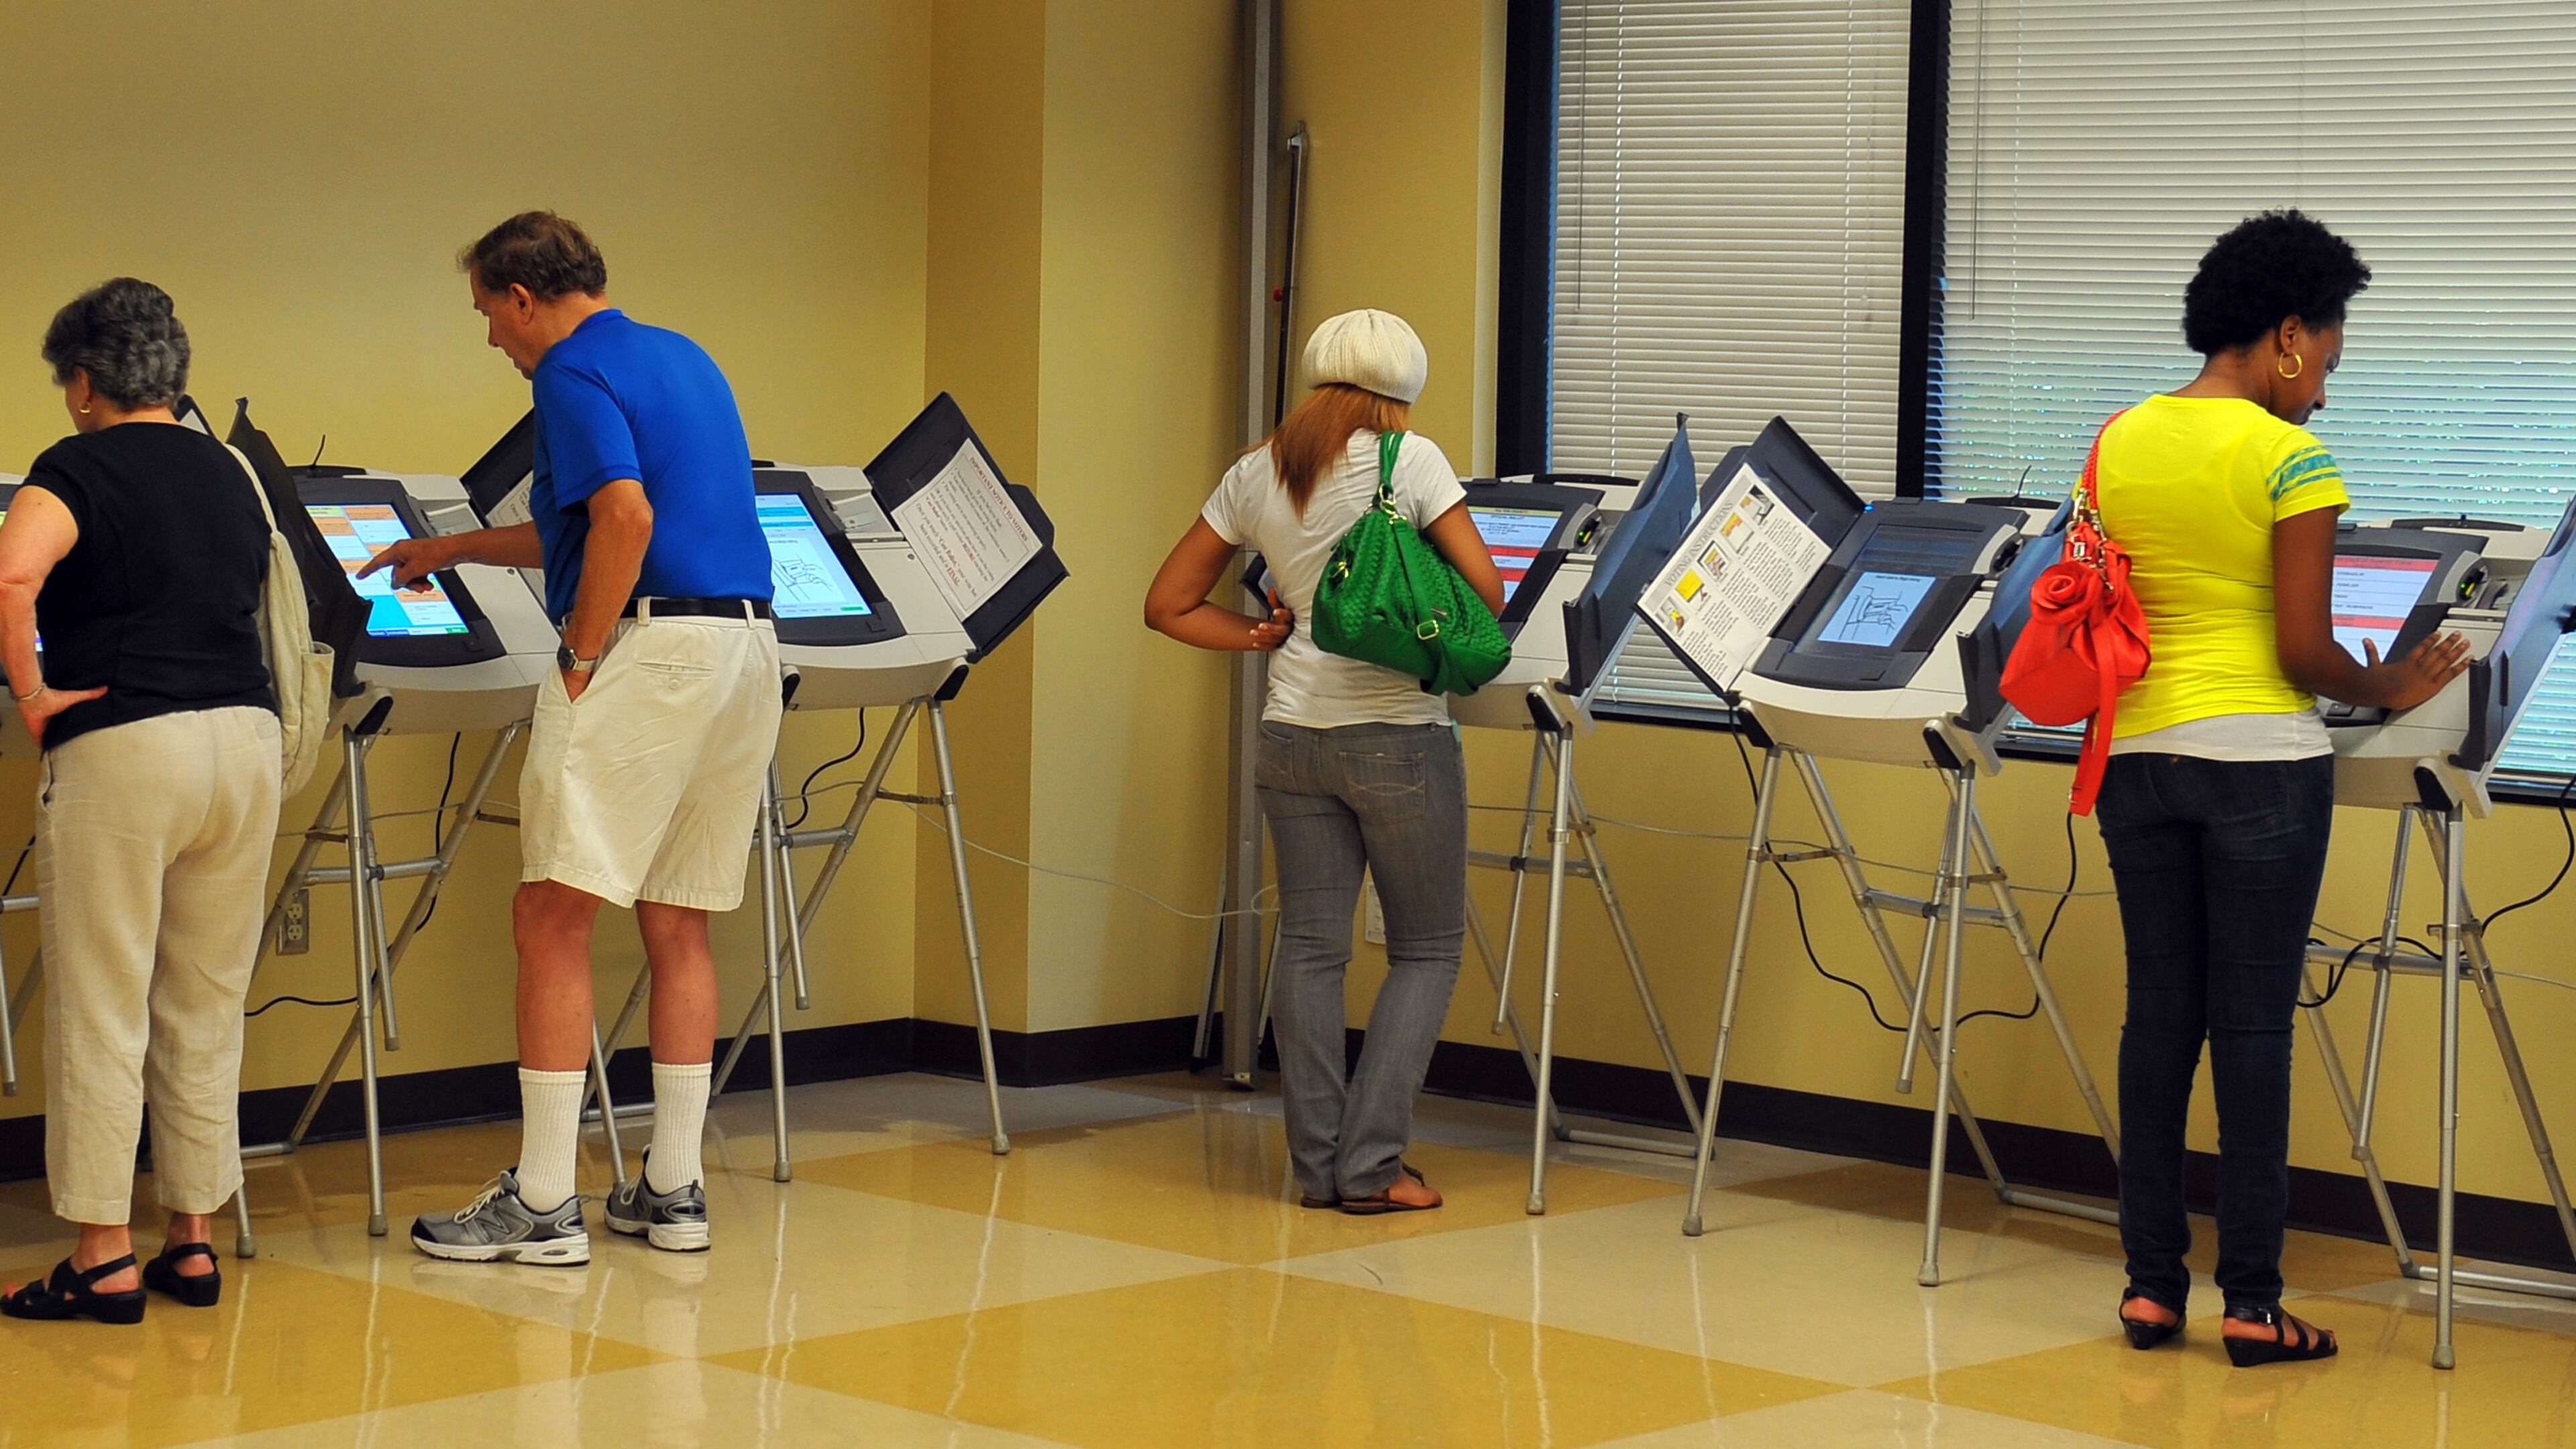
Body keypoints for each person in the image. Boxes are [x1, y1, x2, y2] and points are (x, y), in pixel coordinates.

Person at [365, 213, 782, 1263]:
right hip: (745, 652)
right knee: (677, 918)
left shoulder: (567, 372)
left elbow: (627, 522)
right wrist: (453, 546)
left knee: (549, 912)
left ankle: (545, 1200)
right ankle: (672, 1190)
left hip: (650, 651)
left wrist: (582, 656)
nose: (491, 342)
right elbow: (601, 521)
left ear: (521, 298)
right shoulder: (681, 357)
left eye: (488, 318)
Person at [2092, 210, 2469, 1366]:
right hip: (2260, 768)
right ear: (2290, 337)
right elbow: (2305, 650)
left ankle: (2151, 1292)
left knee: (2157, 1023)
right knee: (2252, 1030)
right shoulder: (2292, 457)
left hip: (2139, 761)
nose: (2324, 395)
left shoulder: (2119, 439)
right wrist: (2392, 684)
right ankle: (2252, 1307)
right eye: (2328, 365)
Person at [1145, 309, 1503, 1214]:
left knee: (1309, 951)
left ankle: (1316, 1170)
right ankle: (1373, 1168)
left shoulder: (1255, 471)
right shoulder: (1409, 463)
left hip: (1292, 736)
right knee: (1425, 950)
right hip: (1400, 740)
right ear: (1404, 393)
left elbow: (1169, 603)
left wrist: (1261, 632)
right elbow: (1486, 592)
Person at [0, 279, 282, 1323]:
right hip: (245, 746)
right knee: (204, 1001)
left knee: (104, 998)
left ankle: (102, 1256)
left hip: (128, 748)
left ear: (82, 384)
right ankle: (193, 1241)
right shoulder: (231, 471)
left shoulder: (73, 466)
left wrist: (33, 698)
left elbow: (11, 577)